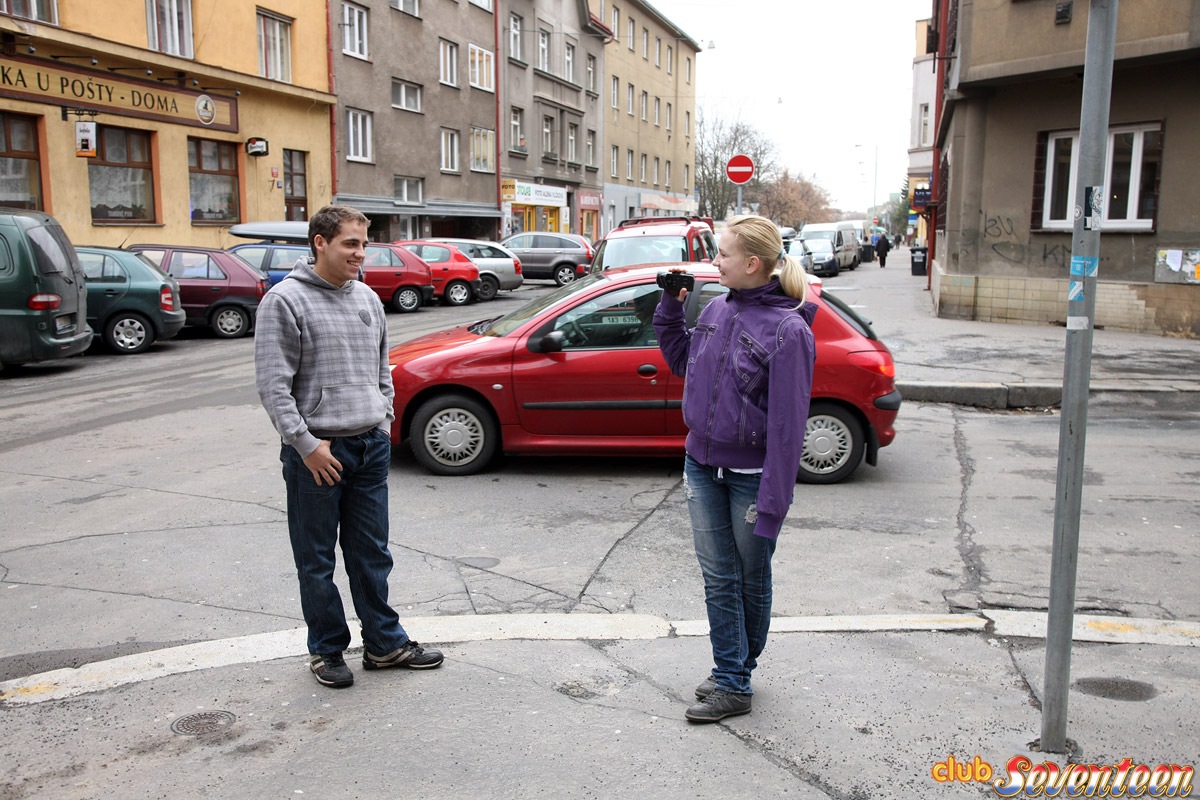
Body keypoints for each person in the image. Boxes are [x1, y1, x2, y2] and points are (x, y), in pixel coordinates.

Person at [255, 204, 443, 689]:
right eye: (350, 244)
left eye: (364, 244)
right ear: (320, 243)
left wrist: (383, 420)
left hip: (370, 446)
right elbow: (274, 386)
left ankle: (384, 644)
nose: (361, 253)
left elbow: (382, 369)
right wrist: (306, 445)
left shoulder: (367, 298)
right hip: (318, 454)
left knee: (372, 553)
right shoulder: (284, 301)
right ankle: (326, 649)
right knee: (316, 560)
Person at [653, 215, 817, 723]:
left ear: (752, 263)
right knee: (718, 576)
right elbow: (683, 362)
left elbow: (788, 429)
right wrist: (670, 307)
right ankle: (731, 675)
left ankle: (735, 674)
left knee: (750, 576)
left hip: (751, 476)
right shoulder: (715, 308)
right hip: (701, 464)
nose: (715, 261)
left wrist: (774, 505)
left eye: (723, 254)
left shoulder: (789, 330)